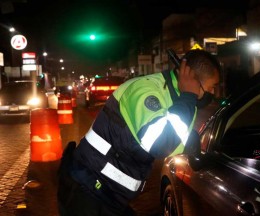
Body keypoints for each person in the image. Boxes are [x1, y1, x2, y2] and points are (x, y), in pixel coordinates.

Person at [57, 49, 221, 216]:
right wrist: (188, 97)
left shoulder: (181, 99)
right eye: (212, 87)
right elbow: (160, 145)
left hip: (110, 196)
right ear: (192, 79)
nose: (214, 93)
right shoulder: (148, 92)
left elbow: (176, 142)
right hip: (88, 191)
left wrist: (200, 147)